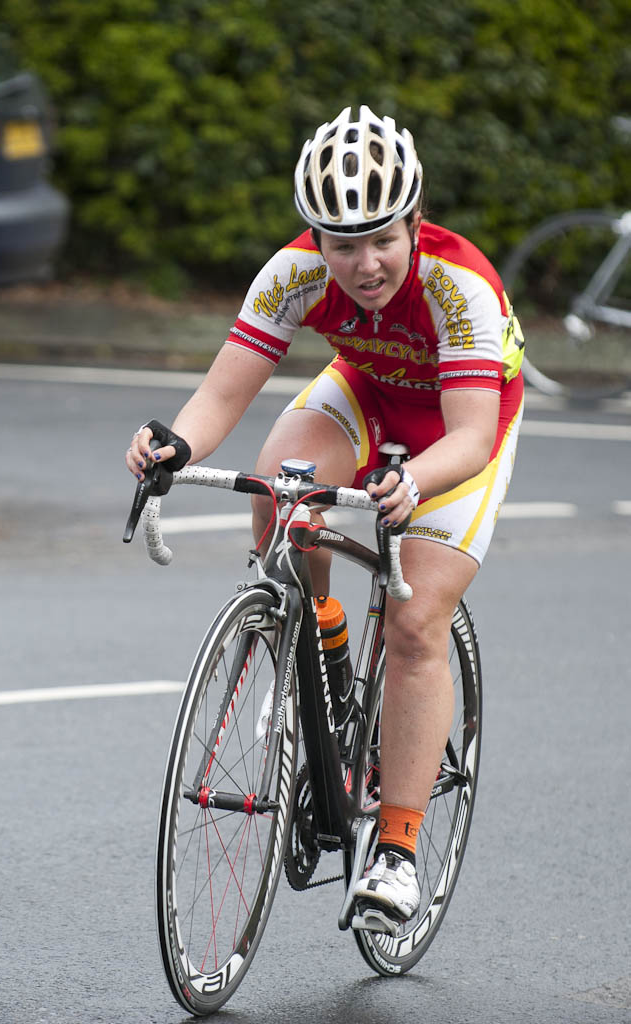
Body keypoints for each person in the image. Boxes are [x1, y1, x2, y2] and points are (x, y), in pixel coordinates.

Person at [126, 105, 524, 930]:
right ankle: (320, 635)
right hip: (366, 394)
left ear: (414, 223)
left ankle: (396, 853)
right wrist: (173, 444)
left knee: (414, 620)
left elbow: (470, 437)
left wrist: (412, 480)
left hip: (454, 435)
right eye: (343, 245)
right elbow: (221, 394)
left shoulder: (459, 286)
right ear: (315, 238)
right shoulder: (292, 274)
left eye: (381, 239)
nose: (364, 263)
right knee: (278, 493)